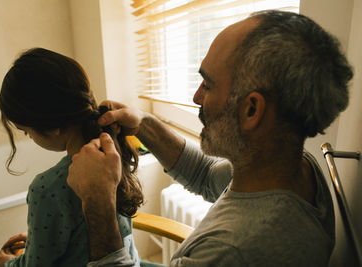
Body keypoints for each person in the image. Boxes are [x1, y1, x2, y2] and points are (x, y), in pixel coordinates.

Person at [67, 10, 354, 267]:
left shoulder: (233, 251)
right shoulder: (295, 166)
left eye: (208, 84)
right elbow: (205, 174)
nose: (196, 96)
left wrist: (98, 202)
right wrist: (143, 123)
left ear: (251, 109)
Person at [0, 48, 144, 267]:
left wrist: (7, 264)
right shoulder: (113, 154)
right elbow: (81, 237)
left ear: (53, 125)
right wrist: (41, 241)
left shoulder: (47, 187)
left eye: (27, 131)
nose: (29, 137)